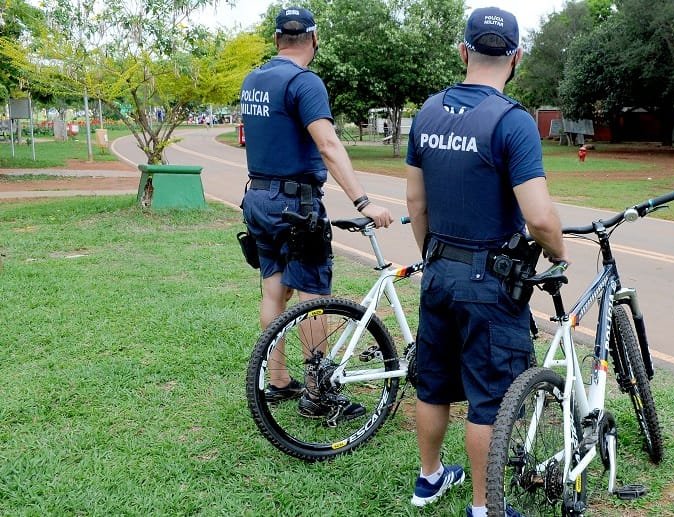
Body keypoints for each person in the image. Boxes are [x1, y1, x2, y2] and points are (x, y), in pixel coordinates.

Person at [404, 7, 569, 516]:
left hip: (438, 267)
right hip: (491, 281)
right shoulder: (513, 121)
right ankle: (483, 507)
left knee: (432, 381)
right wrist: (559, 255)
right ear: (516, 57)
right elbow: (539, 218)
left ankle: (429, 479)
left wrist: (433, 257)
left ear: (463, 51)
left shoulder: (428, 112)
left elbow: (416, 203)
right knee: (490, 398)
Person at [239, 6, 393, 416]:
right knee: (313, 295)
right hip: (295, 204)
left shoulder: (253, 79)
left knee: (273, 287)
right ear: (314, 38)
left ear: (276, 40)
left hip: (257, 197)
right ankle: (318, 393)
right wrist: (363, 200)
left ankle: (277, 379)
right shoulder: (304, 82)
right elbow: (328, 145)